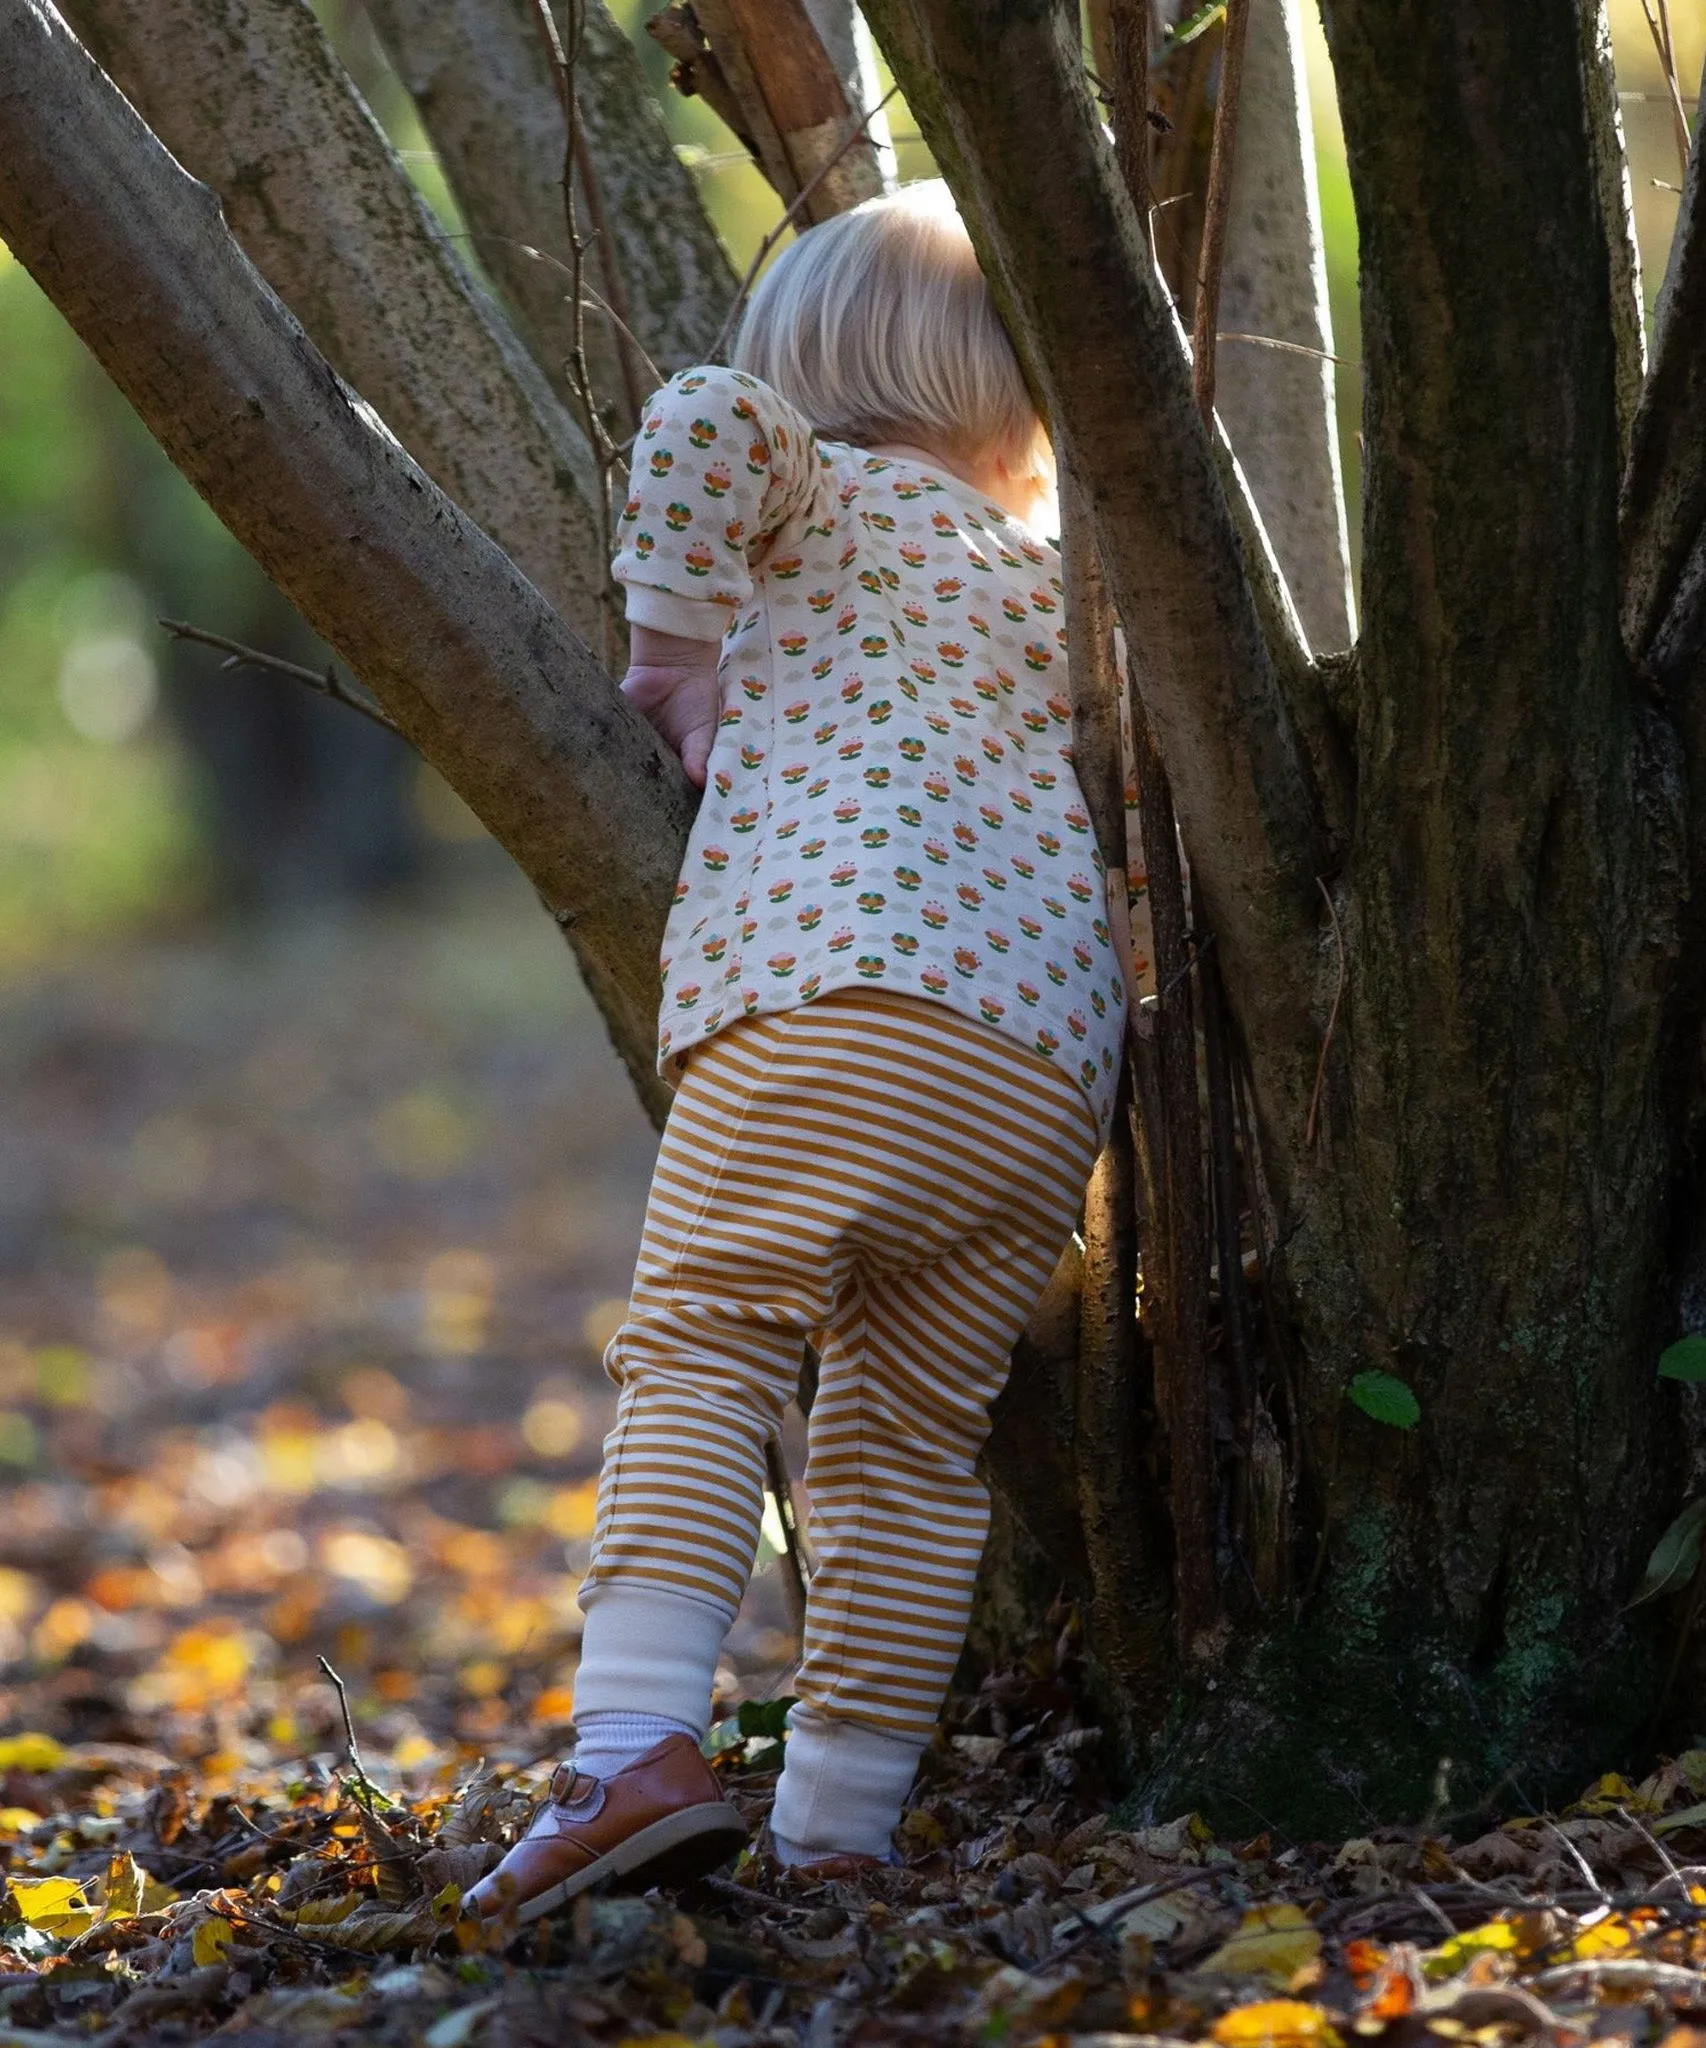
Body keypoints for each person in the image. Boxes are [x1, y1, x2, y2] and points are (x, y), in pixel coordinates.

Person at [468, 181, 1139, 1924]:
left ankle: (628, 1751)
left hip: (838, 995)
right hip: (1035, 1077)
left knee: (702, 1342)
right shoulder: (1058, 591)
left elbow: (692, 413)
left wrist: (674, 661)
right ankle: (837, 1829)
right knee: (909, 1445)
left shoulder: (810, 501)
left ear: (814, 371)